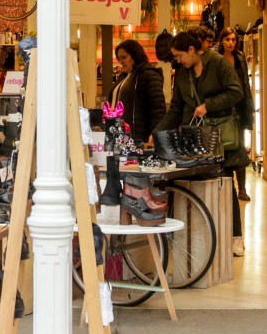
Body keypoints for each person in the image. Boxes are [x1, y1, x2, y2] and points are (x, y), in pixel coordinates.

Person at [154, 31, 248, 257]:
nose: (178, 60)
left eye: (180, 55)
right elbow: (176, 108)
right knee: (194, 184)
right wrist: (157, 133)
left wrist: (208, 105)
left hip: (221, 137)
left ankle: (235, 237)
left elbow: (237, 92)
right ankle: (200, 238)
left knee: (225, 184)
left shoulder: (218, 63)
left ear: (192, 50)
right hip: (194, 138)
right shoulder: (182, 74)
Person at [218, 26, 256, 202]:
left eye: (233, 39)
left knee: (240, 147)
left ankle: (242, 188)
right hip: (222, 109)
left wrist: (249, 108)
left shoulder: (240, 58)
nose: (230, 43)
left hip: (239, 108)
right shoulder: (216, 58)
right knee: (224, 147)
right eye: (227, 39)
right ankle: (228, 187)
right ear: (222, 41)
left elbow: (245, 85)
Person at [106, 39, 166, 145]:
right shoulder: (123, 76)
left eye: (124, 57)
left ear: (135, 55)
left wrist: (155, 135)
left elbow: (158, 110)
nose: (121, 61)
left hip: (139, 138)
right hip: (119, 136)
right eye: (119, 58)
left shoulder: (149, 74)